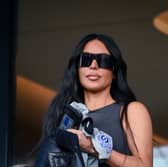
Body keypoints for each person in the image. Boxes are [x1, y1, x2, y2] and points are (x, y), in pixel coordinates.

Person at [35, 33, 153, 167]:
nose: (93, 65)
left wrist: (92, 147)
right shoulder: (64, 113)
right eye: (86, 59)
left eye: (103, 60)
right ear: (77, 68)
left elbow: (145, 165)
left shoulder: (130, 111)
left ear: (114, 71)